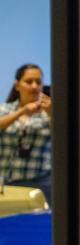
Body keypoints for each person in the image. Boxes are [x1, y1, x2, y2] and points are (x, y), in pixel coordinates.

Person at [0, 62, 53, 190]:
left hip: (40, 183)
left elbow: (62, 137)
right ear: (17, 85)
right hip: (6, 183)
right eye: (29, 82)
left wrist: (52, 112)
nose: (34, 86)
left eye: (38, 82)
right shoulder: (5, 109)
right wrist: (22, 111)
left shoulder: (49, 112)